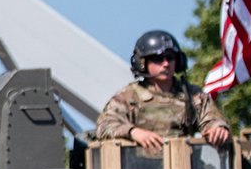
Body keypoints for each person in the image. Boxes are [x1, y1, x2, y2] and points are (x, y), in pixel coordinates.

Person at [94, 30, 231, 150]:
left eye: (170, 58)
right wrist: (134, 132)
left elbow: (212, 120)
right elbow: (104, 126)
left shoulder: (193, 95)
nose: (166, 64)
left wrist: (218, 129)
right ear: (142, 63)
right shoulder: (128, 97)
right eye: (158, 59)